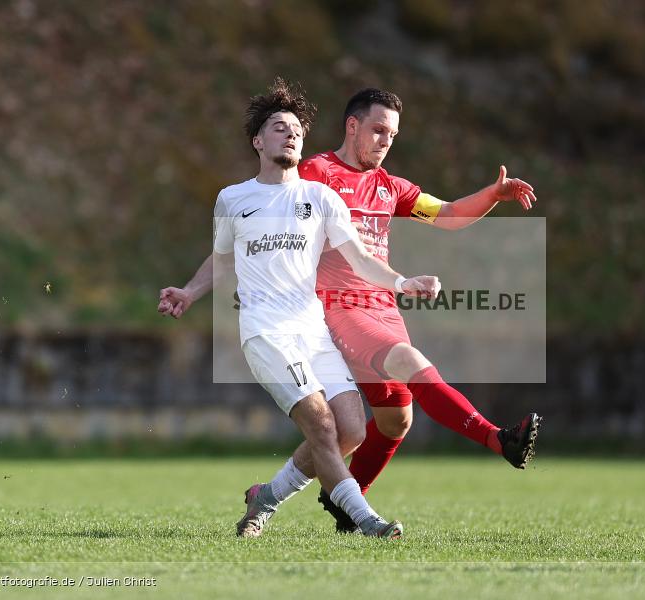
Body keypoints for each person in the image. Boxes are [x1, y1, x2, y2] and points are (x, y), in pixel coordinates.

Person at [158, 79, 441, 539]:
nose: (290, 135)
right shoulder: (234, 198)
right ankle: (366, 521)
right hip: (264, 332)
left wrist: (403, 282)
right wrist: (189, 292)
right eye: (278, 128)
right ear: (258, 140)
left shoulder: (321, 198)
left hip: (313, 330)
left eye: (296, 130)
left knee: (351, 430)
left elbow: (362, 259)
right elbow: (223, 258)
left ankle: (265, 499)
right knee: (322, 424)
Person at [296, 89, 542, 532]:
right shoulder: (316, 172)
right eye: (377, 130)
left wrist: (492, 194)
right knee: (410, 363)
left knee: (395, 419)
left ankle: (346, 504)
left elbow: (447, 214)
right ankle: (497, 438)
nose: (385, 140)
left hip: (383, 307)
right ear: (352, 126)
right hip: (339, 307)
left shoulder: (391, 186)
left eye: (392, 134)